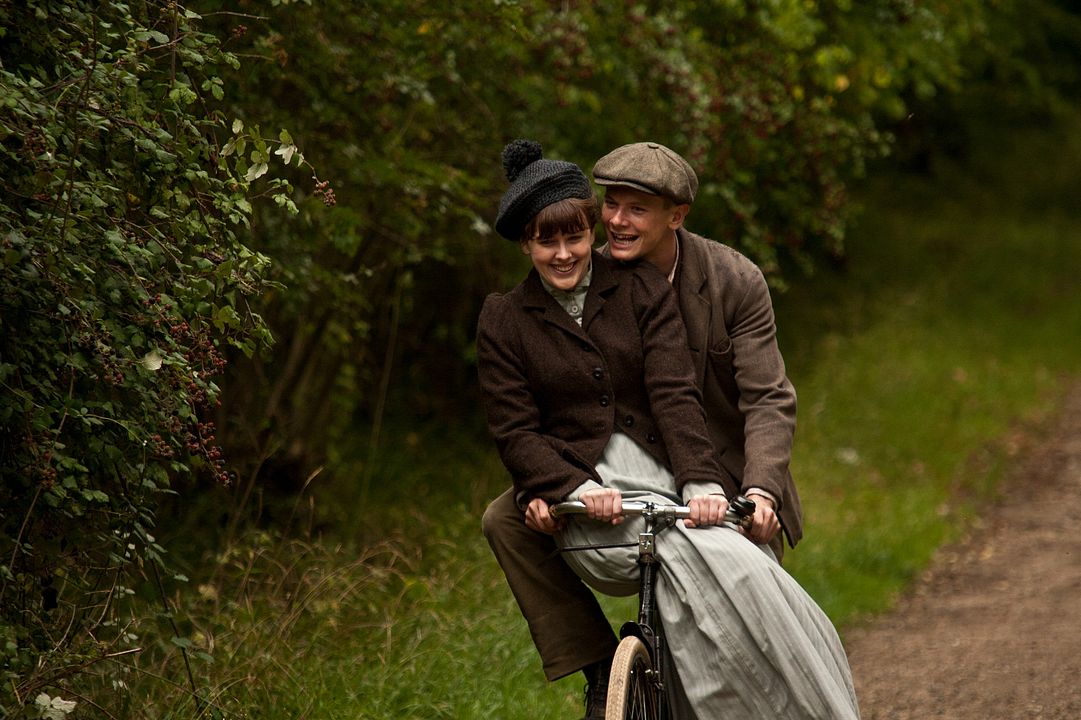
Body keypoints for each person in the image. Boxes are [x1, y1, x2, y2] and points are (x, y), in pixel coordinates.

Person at [477, 140, 859, 719]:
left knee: (749, 604)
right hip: (603, 467)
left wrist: (755, 491)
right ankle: (600, 671)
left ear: (675, 216)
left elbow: (763, 398)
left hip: (721, 464)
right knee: (504, 519)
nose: (616, 222)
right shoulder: (554, 288)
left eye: (636, 209)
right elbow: (531, 422)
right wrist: (550, 488)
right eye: (611, 205)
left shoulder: (733, 280)